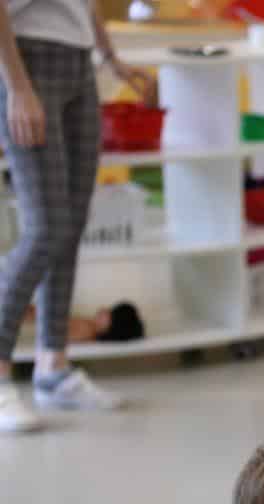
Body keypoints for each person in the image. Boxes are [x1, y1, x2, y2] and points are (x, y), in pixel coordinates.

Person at [0, 0, 152, 432]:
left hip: (79, 65)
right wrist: (17, 86)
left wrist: (110, 57)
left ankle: (54, 367)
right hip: (25, 59)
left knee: (70, 227)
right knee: (45, 230)